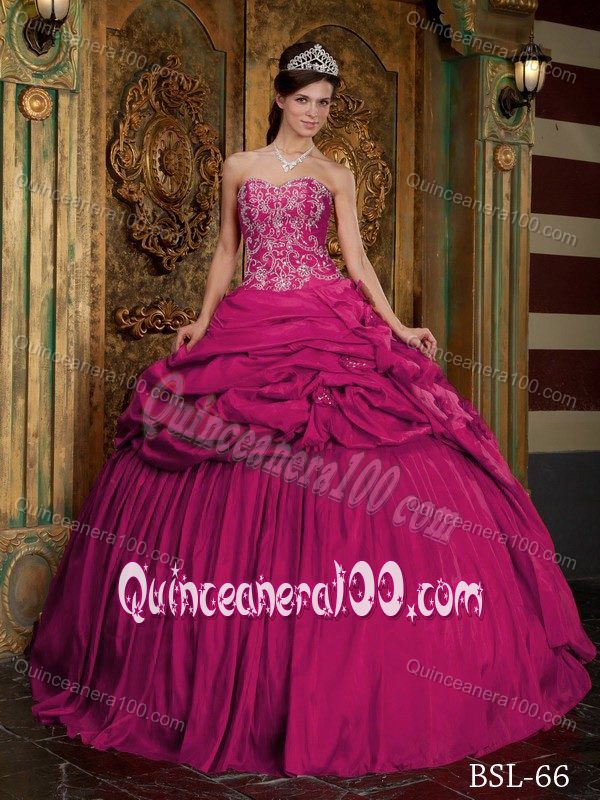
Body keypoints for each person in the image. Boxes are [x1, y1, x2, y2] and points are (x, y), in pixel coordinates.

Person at [25, 41, 595, 778]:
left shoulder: (336, 175)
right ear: (280, 99)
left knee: (355, 444)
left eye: (324, 103)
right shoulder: (239, 167)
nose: (315, 114)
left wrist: (397, 328)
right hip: (253, 316)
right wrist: (203, 319)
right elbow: (226, 251)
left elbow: (356, 261)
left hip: (326, 315)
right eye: (304, 101)